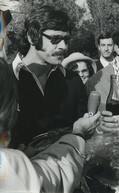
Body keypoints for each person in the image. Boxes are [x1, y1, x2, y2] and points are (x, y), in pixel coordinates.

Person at [0, 56, 101, 192]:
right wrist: (78, 134)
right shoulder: (7, 163)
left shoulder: (72, 80)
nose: (63, 45)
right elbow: (49, 179)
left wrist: (24, 161)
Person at [9, 6, 88, 149]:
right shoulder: (5, 79)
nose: (63, 46)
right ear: (32, 37)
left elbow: (84, 132)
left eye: (66, 39)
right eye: (55, 39)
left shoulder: (73, 81)